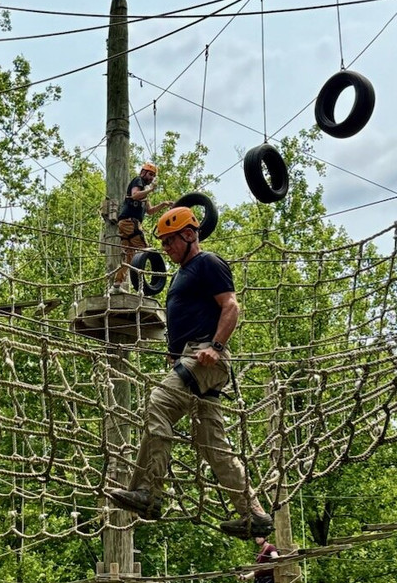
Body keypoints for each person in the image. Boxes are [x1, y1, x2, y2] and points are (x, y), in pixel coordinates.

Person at [106, 206, 274, 539]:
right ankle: (254, 515)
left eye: (170, 241)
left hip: (205, 356)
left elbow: (231, 305)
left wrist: (217, 346)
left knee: (159, 403)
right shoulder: (183, 273)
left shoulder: (207, 263)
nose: (165, 249)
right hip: (191, 358)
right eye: (163, 243)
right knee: (212, 445)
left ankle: (149, 492)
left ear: (189, 234)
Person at [112, 162, 171, 292]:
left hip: (126, 224)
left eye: (153, 176)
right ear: (143, 172)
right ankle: (142, 286)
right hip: (129, 222)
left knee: (130, 256)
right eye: (150, 174)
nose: (151, 178)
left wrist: (163, 204)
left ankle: (117, 284)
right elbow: (134, 195)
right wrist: (151, 189)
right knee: (145, 250)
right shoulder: (138, 181)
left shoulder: (144, 193)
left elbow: (150, 211)